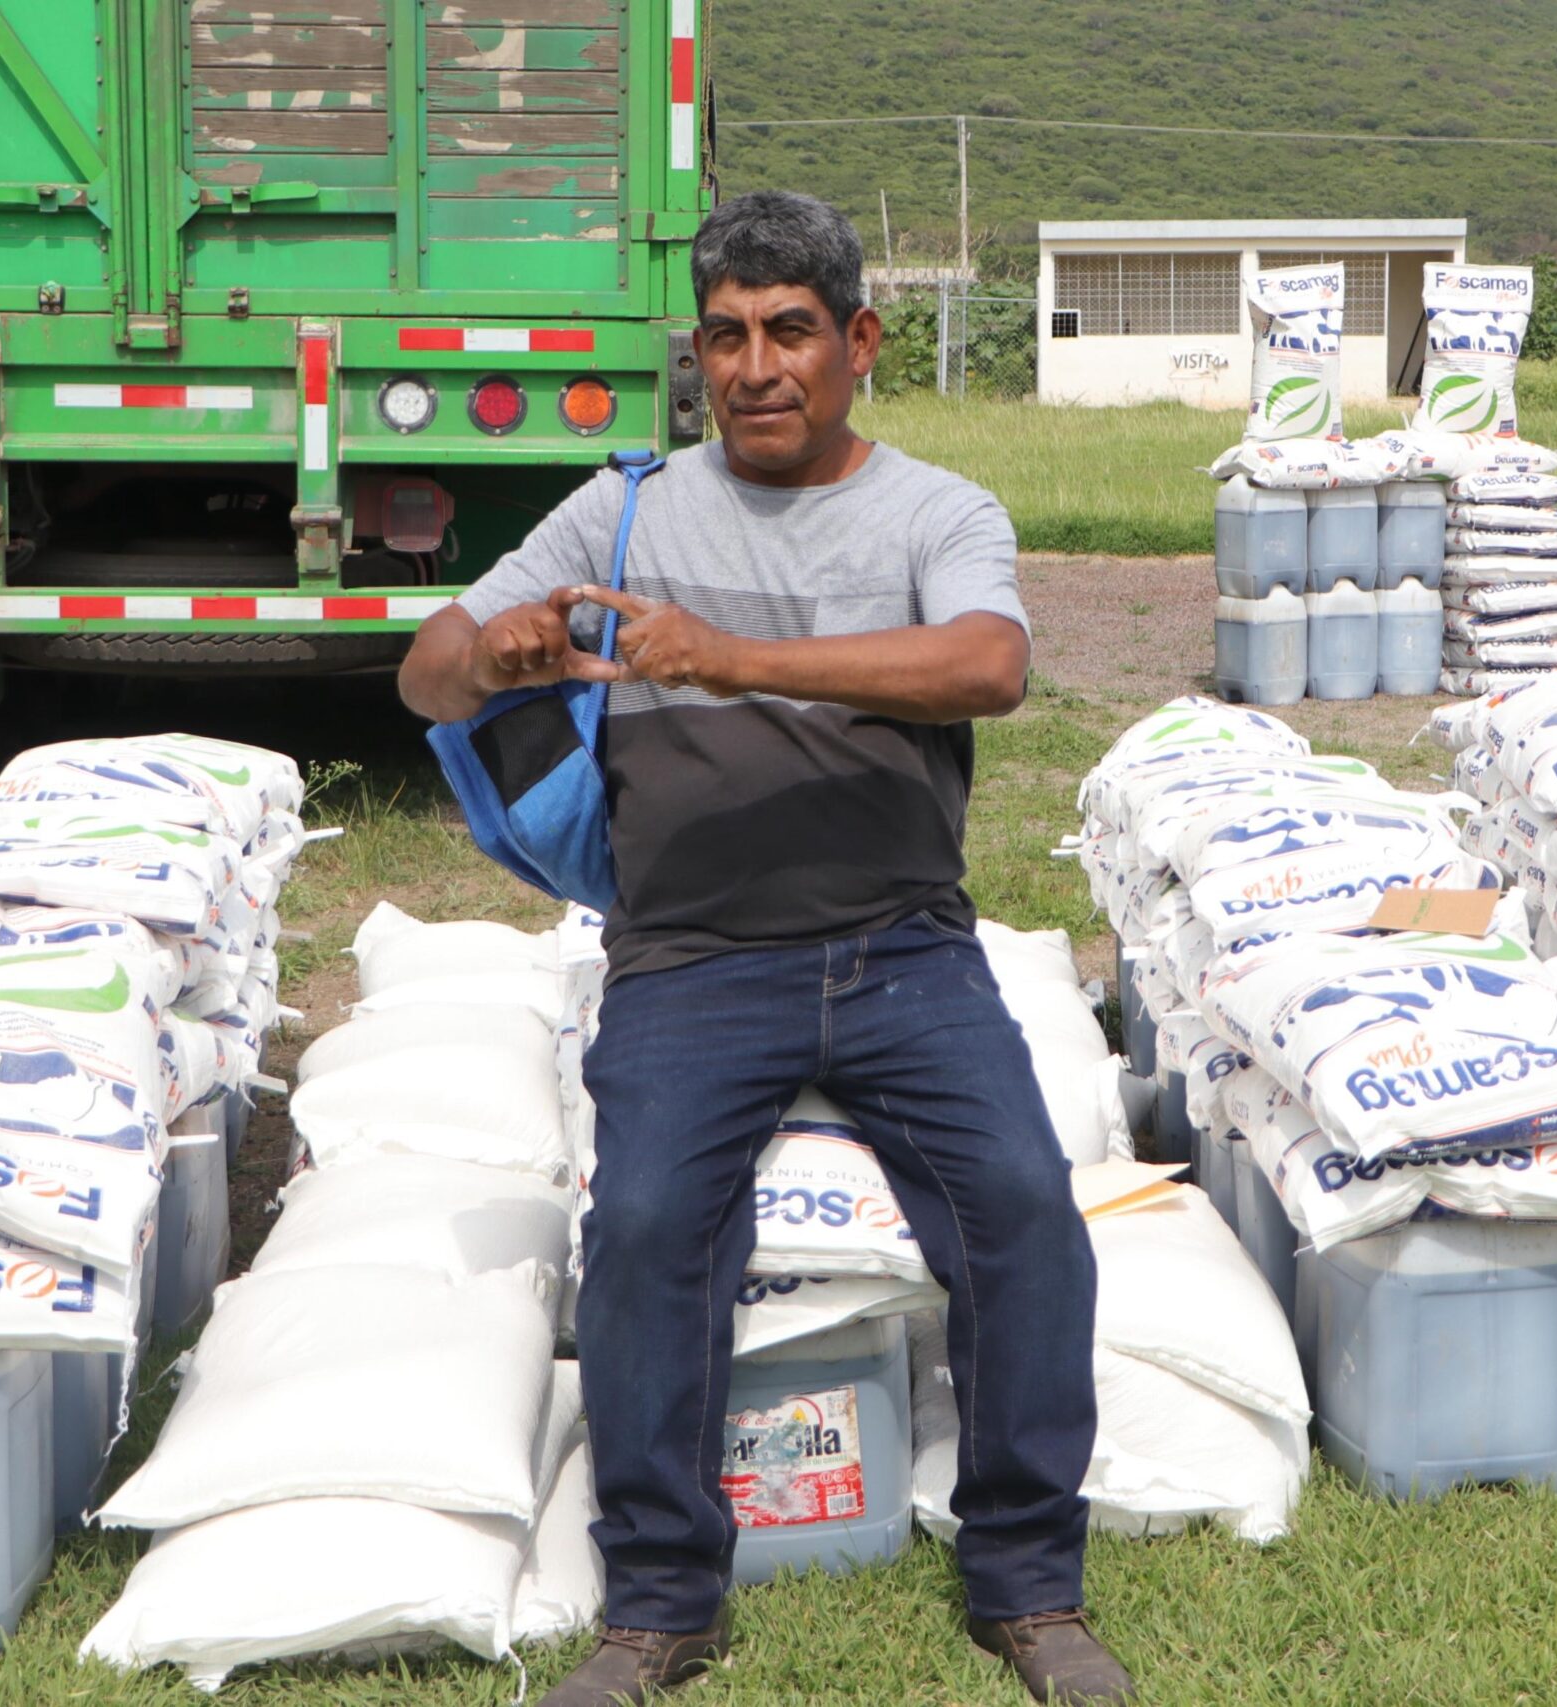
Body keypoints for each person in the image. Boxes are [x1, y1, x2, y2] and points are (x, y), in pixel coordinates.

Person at [399, 190, 1135, 1704]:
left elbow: (988, 667)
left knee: (1019, 1205)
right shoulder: (622, 510)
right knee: (653, 1223)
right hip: (689, 957)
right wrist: (501, 650)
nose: (756, 366)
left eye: (791, 331)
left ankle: (1029, 1583)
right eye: (726, 335)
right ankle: (663, 1598)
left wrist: (728, 655)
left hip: (905, 951)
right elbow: (425, 673)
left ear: (857, 342)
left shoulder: (938, 511)